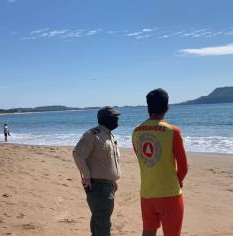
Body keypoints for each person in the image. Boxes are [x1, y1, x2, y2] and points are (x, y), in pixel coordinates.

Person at [132, 88, 188, 236]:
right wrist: (179, 181)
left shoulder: (136, 131)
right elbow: (183, 167)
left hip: (147, 193)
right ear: (167, 108)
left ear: (148, 108)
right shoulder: (173, 131)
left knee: (148, 232)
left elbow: (142, 160)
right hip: (169, 193)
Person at [72, 106, 121, 236]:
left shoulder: (108, 135)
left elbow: (107, 161)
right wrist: (86, 176)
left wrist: (113, 180)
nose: (117, 120)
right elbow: (77, 154)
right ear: (106, 119)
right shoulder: (93, 135)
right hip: (98, 186)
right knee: (103, 222)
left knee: (99, 219)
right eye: (115, 117)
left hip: (107, 184)